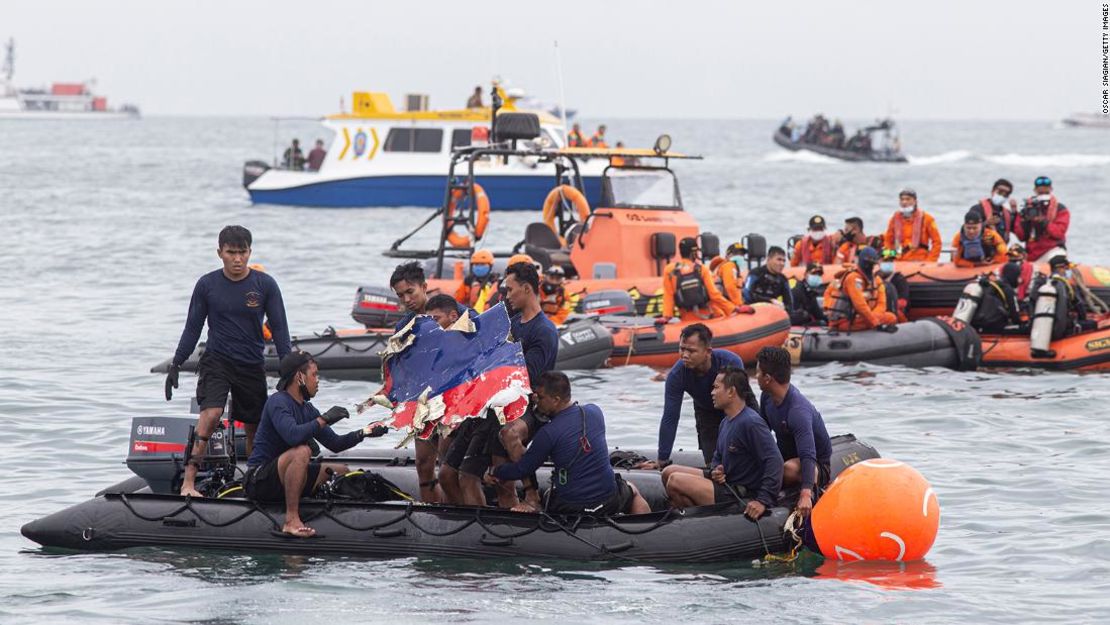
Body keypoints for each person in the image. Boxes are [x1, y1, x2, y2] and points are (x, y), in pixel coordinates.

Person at [166, 225, 291, 498]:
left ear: (250, 252)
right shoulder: (207, 285)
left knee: (255, 427)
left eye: (242, 252)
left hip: (251, 364)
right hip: (217, 361)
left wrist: (288, 367)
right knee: (210, 416)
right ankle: (189, 482)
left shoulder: (265, 285)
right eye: (231, 253)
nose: (237, 259)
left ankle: (255, 483)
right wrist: (176, 363)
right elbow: (192, 328)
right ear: (219, 253)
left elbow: (280, 328)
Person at [245, 352, 387, 537]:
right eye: (314, 375)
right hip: (260, 479)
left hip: (286, 475)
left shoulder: (307, 409)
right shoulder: (277, 402)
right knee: (302, 451)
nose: (317, 380)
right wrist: (325, 419)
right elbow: (292, 436)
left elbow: (335, 443)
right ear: (299, 377)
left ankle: (325, 511)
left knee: (342, 470)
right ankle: (291, 520)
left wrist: (365, 432)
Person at [491, 372, 650, 515]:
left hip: (571, 507)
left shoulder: (548, 433)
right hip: (608, 500)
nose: (535, 401)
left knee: (548, 496)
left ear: (555, 400)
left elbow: (522, 468)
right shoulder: (595, 412)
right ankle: (643, 533)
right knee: (633, 491)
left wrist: (495, 471)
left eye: (539, 397)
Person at [389, 261, 474, 502]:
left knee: (449, 459)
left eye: (410, 292)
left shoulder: (454, 311)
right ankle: (431, 514)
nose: (406, 299)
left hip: (455, 401)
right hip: (423, 403)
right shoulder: (403, 326)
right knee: (423, 463)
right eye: (400, 295)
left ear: (424, 286)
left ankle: (459, 508)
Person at [661, 366, 782, 518]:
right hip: (725, 483)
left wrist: (762, 501)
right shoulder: (725, 422)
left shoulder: (751, 423)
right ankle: (695, 513)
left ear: (731, 392)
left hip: (739, 494)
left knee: (675, 480)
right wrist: (716, 471)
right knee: (668, 472)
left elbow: (775, 461)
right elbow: (717, 457)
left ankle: (694, 520)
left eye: (716, 387)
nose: (712, 392)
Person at [487, 261, 561, 511]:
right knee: (501, 482)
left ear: (527, 288)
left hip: (535, 407)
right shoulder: (514, 324)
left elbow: (527, 379)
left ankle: (532, 495)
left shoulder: (544, 331)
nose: (507, 296)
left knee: (509, 432)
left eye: (510, 290)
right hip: (505, 405)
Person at [637, 323, 744, 469]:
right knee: (712, 466)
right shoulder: (677, 375)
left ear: (708, 352)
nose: (685, 355)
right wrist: (662, 459)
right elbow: (670, 417)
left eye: (691, 351)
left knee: (742, 455)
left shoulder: (730, 362)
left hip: (737, 410)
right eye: (682, 349)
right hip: (706, 412)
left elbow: (744, 401)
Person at [754, 347, 832, 518]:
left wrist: (805, 494)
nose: (755, 376)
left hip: (816, 464)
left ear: (767, 378)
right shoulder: (767, 397)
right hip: (786, 455)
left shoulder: (797, 411)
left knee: (788, 469)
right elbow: (763, 434)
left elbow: (808, 454)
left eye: (758, 372)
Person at [662, 237, 738, 321]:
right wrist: (733, 308)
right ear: (693, 253)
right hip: (708, 315)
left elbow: (668, 295)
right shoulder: (701, 269)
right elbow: (714, 295)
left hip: (686, 318)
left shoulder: (670, 270)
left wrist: (666, 316)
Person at [1028, 255, 1090, 358]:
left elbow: (1031, 303)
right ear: (1061, 268)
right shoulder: (1065, 285)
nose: (1068, 272)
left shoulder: (1044, 283)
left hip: (1042, 328)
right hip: (1060, 329)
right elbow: (1080, 307)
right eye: (1067, 269)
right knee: (1091, 325)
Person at [824, 246, 897, 331]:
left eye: (871, 264)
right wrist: (875, 322)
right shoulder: (853, 278)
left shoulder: (876, 280)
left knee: (891, 317)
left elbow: (882, 304)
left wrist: (874, 317)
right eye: (867, 264)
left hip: (862, 318)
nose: (869, 267)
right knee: (889, 318)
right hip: (845, 321)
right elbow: (860, 305)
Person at [1013, 176, 1070, 263]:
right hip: (1032, 254)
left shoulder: (1060, 209)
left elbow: (1059, 233)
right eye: (1040, 189)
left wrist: (1043, 222)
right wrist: (1022, 219)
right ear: (1035, 190)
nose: (1043, 190)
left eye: (1046, 188)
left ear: (1051, 189)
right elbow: (1021, 236)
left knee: (1058, 260)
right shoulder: (1027, 209)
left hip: (1052, 250)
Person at [883, 188, 942, 262]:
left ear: (915, 201)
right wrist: (888, 257)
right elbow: (888, 241)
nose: (904, 202)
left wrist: (930, 261)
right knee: (881, 254)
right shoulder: (894, 219)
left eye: (908, 199)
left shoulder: (927, 219)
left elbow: (937, 242)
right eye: (902, 199)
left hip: (919, 259)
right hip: (898, 259)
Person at [968, 178, 1017, 243]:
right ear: (993, 191)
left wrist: (1014, 212)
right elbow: (966, 230)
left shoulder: (1008, 214)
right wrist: (985, 224)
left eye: (1006, 194)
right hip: (980, 248)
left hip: (1000, 249)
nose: (1002, 195)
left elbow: (1020, 234)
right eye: (1000, 192)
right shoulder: (977, 209)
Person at [877, 248, 911, 322]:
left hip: (892, 311)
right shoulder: (875, 278)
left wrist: (883, 305)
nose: (888, 264)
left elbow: (903, 302)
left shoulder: (899, 279)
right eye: (886, 261)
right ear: (879, 262)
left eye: (890, 261)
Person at [715, 242, 748, 307]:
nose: (740, 256)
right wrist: (739, 305)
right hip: (726, 306)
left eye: (742, 254)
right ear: (728, 255)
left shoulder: (733, 268)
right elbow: (730, 287)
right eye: (736, 254)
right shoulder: (729, 266)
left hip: (726, 304)